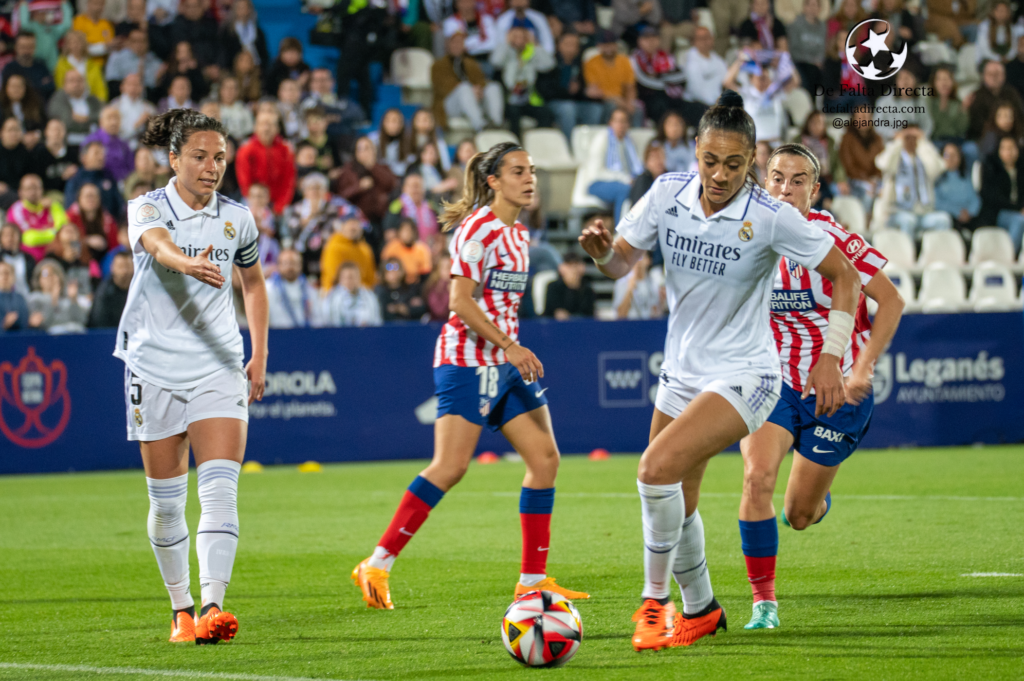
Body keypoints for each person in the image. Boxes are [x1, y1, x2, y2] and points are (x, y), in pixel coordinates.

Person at [578, 90, 861, 651]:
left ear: (752, 160)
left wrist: (831, 355)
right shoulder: (665, 194)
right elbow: (619, 266)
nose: (720, 174)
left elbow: (846, 275)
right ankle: (702, 607)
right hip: (682, 371)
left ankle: (654, 603)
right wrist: (599, 252)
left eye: (735, 164)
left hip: (748, 374)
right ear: (696, 151)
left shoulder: (771, 215)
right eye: (710, 160)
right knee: (676, 498)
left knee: (653, 470)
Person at [351, 141, 589, 610]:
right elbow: (460, 302)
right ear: (493, 181)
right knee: (451, 466)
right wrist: (509, 345)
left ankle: (532, 581)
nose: (530, 178)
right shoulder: (477, 230)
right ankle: (377, 563)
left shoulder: (519, 235)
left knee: (545, 460)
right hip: (467, 360)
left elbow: (500, 304)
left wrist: (509, 351)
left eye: (533, 170)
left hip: (504, 364)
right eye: (518, 171)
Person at [117, 109, 268, 645]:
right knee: (165, 501)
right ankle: (180, 608)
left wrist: (259, 352)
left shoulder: (238, 218)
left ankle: (212, 607)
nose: (211, 167)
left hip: (218, 365)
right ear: (174, 158)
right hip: (153, 366)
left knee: (221, 489)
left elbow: (253, 283)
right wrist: (183, 261)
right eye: (200, 157)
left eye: (220, 158)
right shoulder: (147, 206)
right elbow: (155, 244)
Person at [740, 143, 904, 630]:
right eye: (776, 178)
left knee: (797, 515)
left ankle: (814, 500)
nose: (785, 189)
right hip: (773, 383)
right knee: (755, 480)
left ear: (815, 189)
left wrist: (862, 369)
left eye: (797, 180)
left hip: (836, 391)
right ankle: (763, 604)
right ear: (763, 182)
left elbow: (890, 302)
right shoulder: (747, 233)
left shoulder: (831, 236)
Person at [873, 125, 952, 239]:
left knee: (943, 220)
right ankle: (907, 255)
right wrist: (898, 141)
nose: (911, 141)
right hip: (897, 212)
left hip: (923, 213)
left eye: (915, 138)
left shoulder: (924, 157)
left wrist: (924, 143)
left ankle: (935, 254)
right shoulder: (896, 156)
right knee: (908, 221)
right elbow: (884, 164)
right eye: (908, 137)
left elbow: (937, 169)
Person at [631, 25, 707, 129]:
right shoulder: (634, 59)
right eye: (646, 38)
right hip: (649, 99)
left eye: (654, 37)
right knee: (660, 106)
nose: (650, 41)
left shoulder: (666, 56)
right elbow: (644, 81)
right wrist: (665, 79)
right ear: (639, 41)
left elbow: (681, 77)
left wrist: (659, 76)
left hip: (671, 96)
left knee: (699, 108)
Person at [432, 26, 504, 132]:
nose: (457, 46)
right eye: (454, 42)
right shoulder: (437, 65)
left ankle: (496, 124)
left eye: (460, 43)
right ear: (447, 45)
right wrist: (470, 90)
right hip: (450, 105)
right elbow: (440, 88)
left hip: (473, 101)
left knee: (493, 87)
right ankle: (480, 126)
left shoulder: (471, 64)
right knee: (464, 88)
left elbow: (481, 81)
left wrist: (479, 89)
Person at [490, 24, 555, 139]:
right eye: (515, 37)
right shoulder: (506, 53)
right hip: (509, 99)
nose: (519, 40)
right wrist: (506, 43)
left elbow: (549, 64)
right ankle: (516, 147)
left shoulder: (531, 54)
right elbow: (495, 62)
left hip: (527, 99)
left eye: (522, 37)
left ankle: (539, 143)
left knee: (545, 113)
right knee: (514, 113)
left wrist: (535, 43)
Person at [537, 31, 605, 141]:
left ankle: (589, 143)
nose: (571, 49)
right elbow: (545, 90)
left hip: (574, 102)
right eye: (568, 44)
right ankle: (570, 145)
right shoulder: (550, 63)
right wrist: (566, 91)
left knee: (595, 109)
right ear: (559, 45)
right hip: (553, 102)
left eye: (575, 45)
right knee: (568, 109)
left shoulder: (579, 64)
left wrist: (586, 92)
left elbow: (581, 90)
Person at [587, 107, 643, 222]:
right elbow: (596, 172)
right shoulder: (602, 139)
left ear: (628, 124)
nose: (620, 125)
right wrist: (626, 179)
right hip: (597, 182)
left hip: (623, 182)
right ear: (610, 123)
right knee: (625, 189)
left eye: (624, 121)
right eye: (617, 121)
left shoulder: (629, 142)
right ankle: (620, 232)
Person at [236, 110, 296, 214]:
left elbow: (289, 181)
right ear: (255, 127)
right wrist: (258, 206)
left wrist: (280, 206)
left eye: (270, 125)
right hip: (253, 200)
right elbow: (245, 183)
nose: (266, 128)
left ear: (277, 129)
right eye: (262, 124)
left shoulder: (286, 150)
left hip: (278, 201)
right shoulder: (246, 149)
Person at [584, 29, 642, 126]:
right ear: (599, 45)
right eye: (605, 45)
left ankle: (633, 138)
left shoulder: (624, 61)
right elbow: (594, 91)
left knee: (637, 110)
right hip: (603, 101)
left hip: (622, 100)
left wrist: (629, 102)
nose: (609, 48)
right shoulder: (591, 63)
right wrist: (617, 100)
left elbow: (630, 87)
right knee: (611, 107)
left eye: (611, 44)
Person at [979, 135, 1024, 253]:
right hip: (998, 213)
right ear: (999, 151)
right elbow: (994, 198)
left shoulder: (1021, 170)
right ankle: (1009, 255)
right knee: (1019, 220)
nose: (1008, 152)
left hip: (1018, 211)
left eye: (1011, 148)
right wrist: (1019, 209)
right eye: (1005, 148)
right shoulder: (992, 169)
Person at [6, 174, 68, 261]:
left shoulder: (53, 206)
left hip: (56, 259)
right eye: (28, 189)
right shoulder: (16, 210)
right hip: (29, 261)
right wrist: (53, 233)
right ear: (20, 192)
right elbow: (29, 238)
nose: (32, 192)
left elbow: (64, 232)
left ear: (42, 190)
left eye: (35, 188)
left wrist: (43, 235)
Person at [28, 257, 91, 332]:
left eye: (54, 274)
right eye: (46, 275)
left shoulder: (66, 297)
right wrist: (53, 300)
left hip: (73, 334)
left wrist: (73, 300)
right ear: (39, 279)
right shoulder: (35, 298)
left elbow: (81, 320)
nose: (50, 278)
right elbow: (42, 324)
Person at [65, 141, 125, 218]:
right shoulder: (75, 180)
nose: (101, 157)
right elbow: (71, 209)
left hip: (109, 226)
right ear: (84, 157)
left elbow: (119, 205)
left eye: (102, 154)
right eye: (96, 153)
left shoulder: (109, 177)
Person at [47, 69, 103, 148]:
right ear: (64, 84)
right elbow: (67, 122)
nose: (76, 84)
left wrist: (83, 118)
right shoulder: (58, 100)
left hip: (93, 145)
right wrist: (90, 122)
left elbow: (102, 118)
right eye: (71, 81)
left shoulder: (93, 100)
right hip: (68, 144)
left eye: (79, 80)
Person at [266, 248, 320, 329]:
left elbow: (317, 317)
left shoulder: (310, 290)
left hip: (305, 335)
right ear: (278, 265)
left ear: (300, 265)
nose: (290, 267)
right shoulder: (268, 289)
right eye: (285, 263)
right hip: (277, 335)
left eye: (293, 263)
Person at [935, 142, 981, 235]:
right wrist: (957, 212)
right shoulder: (937, 179)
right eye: (947, 155)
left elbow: (975, 199)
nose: (951, 159)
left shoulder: (965, 177)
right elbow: (937, 202)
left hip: (968, 215)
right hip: (950, 215)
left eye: (954, 155)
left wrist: (970, 212)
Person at [320, 215, 376, 291]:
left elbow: (371, 277)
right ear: (342, 227)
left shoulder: (365, 249)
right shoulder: (334, 246)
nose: (353, 227)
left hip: (362, 293)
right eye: (350, 224)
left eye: (356, 224)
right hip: (336, 292)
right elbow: (334, 277)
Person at [67, 181, 119, 261]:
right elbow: (65, 241)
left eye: (94, 196)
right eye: (87, 196)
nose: (91, 199)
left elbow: (115, 247)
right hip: (78, 261)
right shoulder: (70, 218)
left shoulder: (108, 220)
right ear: (79, 199)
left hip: (104, 262)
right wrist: (87, 241)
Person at [322, 260, 382, 327]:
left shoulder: (370, 297)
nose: (348, 281)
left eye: (351, 277)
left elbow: (377, 321)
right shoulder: (332, 297)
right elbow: (326, 322)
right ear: (339, 279)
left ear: (359, 277)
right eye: (345, 277)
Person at [54, 29, 109, 102]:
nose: (76, 45)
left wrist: (99, 104)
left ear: (84, 44)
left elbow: (101, 89)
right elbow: (60, 87)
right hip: (69, 103)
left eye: (79, 42)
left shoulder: (93, 66)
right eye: (73, 42)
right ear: (68, 45)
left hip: (91, 103)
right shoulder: (61, 64)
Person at [786, 0, 826, 96]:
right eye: (810, 5)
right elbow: (793, 50)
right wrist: (811, 60)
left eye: (815, 6)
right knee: (809, 75)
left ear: (819, 9)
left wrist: (819, 60)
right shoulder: (795, 24)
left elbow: (823, 49)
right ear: (804, 7)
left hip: (817, 64)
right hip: (799, 62)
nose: (812, 8)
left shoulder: (822, 27)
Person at [1, 32, 56, 102]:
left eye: (30, 47)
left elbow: (51, 89)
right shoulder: (9, 69)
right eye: (23, 47)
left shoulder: (41, 66)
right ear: (16, 47)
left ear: (35, 47)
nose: (26, 51)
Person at [385, 173, 439, 244]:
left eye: (418, 186)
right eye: (412, 186)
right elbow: (390, 234)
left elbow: (442, 230)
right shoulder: (397, 205)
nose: (415, 190)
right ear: (404, 188)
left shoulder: (431, 205)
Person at [83, 105, 133, 181]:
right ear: (101, 121)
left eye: (116, 118)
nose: (114, 122)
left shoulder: (124, 145)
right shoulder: (91, 141)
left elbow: (131, 168)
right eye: (109, 118)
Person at [682, 27, 727, 108]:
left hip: (717, 104)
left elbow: (726, 79)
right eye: (701, 38)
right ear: (694, 41)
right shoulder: (690, 60)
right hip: (696, 104)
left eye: (708, 37)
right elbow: (696, 91)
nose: (705, 41)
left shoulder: (718, 60)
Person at [87, 248, 133, 326]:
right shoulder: (103, 292)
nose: (124, 271)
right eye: (120, 267)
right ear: (112, 268)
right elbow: (98, 321)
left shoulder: (141, 290)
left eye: (128, 266)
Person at [613, 250, 664, 319]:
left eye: (641, 257)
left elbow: (656, 315)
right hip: (629, 326)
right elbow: (620, 314)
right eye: (635, 258)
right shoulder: (622, 282)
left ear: (648, 260)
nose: (638, 262)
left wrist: (662, 302)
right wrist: (630, 289)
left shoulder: (653, 282)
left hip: (647, 326)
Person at [381, 217, 433, 284]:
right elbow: (384, 269)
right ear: (399, 232)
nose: (407, 233)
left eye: (409, 230)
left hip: (415, 285)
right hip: (396, 284)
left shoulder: (422, 249)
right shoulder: (391, 248)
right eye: (404, 230)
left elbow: (425, 273)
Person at [110, 73, 156, 148]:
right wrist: (138, 123)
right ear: (122, 87)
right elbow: (117, 133)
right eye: (130, 84)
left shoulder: (149, 108)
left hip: (142, 147)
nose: (133, 87)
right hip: (120, 146)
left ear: (141, 88)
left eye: (136, 84)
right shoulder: (114, 106)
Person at [542, 251, 594, 319]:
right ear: (562, 268)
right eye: (569, 266)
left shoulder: (588, 290)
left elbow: (589, 314)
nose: (573, 270)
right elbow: (555, 313)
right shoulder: (553, 287)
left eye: (576, 265)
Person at [0, 74, 47, 147]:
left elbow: (45, 125)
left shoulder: (35, 104)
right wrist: (18, 137)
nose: (16, 89)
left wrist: (36, 135)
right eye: (13, 86)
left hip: (34, 144)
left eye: (19, 86)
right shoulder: (2, 107)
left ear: (25, 88)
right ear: (6, 88)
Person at [214, 77, 254, 142]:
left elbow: (250, 133)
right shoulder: (214, 109)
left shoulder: (244, 109)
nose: (229, 91)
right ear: (221, 90)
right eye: (227, 88)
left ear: (237, 91)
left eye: (232, 88)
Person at [1, 223, 37, 294]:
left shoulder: (28, 259)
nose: (10, 238)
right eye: (6, 235)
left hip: (26, 296)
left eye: (13, 234)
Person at [630, 140, 666, 205]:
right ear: (646, 163)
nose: (659, 161)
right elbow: (638, 207)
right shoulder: (642, 181)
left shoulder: (669, 178)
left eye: (661, 156)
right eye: (654, 158)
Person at [0, 260, 32, 332]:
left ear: (13, 277)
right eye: (1, 273)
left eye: (7, 273)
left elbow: (24, 323)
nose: (5, 277)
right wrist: (4, 325)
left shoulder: (20, 298)